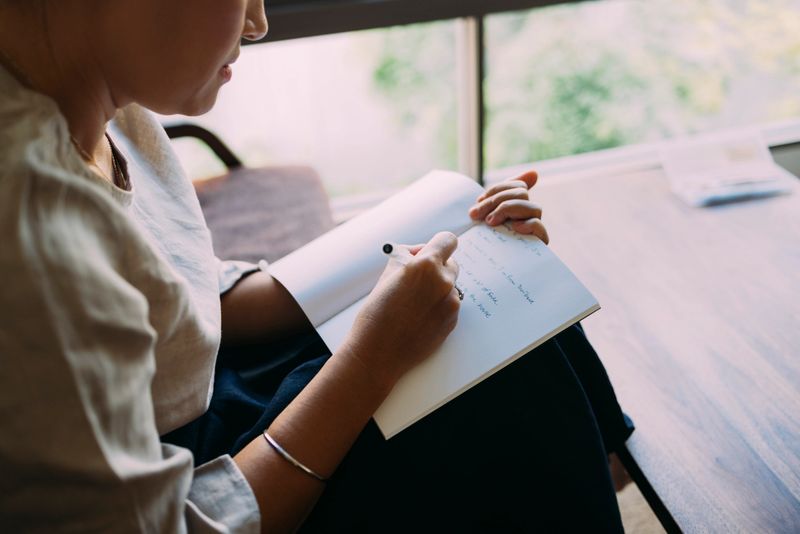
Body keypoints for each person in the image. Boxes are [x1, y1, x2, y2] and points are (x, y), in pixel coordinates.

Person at [0, 0, 633, 532]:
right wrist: (370, 359)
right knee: (503, 379)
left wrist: (449, 236)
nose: (257, 21)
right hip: (190, 472)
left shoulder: (95, 89)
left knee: (488, 302)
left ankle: (584, 462)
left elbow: (172, 291)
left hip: (202, 389)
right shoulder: (34, 222)